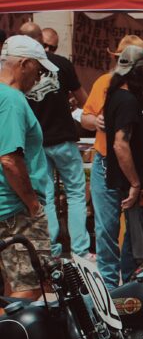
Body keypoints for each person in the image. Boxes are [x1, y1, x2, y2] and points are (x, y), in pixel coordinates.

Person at [81, 35, 143, 288]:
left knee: (135, 232)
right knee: (111, 230)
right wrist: (135, 182)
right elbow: (118, 142)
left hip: (135, 170)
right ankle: (115, 288)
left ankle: (128, 286)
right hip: (115, 167)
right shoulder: (118, 93)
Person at [21, 24, 90, 259]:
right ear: (41, 39)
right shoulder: (62, 63)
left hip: (36, 142)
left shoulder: (20, 68)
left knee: (46, 195)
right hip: (62, 138)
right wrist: (66, 102)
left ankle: (52, 247)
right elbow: (84, 101)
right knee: (76, 193)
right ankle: (80, 250)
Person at [103, 46, 143, 273]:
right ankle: (134, 297)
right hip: (140, 186)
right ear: (139, 70)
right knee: (140, 247)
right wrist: (135, 183)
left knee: (138, 239)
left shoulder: (123, 96)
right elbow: (120, 144)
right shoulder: (126, 100)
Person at [0, 36, 53, 299]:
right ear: (24, 64)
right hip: (16, 210)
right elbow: (9, 159)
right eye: (39, 69)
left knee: (12, 293)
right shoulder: (11, 99)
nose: (39, 77)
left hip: (7, 207)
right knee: (29, 294)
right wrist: (33, 203)